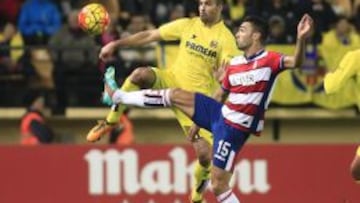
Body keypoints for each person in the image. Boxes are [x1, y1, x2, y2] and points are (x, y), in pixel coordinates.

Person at [102, 14, 313, 203]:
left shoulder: (270, 60)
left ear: (256, 36)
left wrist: (301, 39)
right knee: (175, 95)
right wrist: (198, 121)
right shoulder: (235, 63)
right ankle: (120, 96)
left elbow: (296, 61)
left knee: (219, 186)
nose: (237, 34)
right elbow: (220, 95)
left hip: (233, 129)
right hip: (219, 113)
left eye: (242, 30)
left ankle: (200, 190)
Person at [87, 0, 240, 202]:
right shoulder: (188, 25)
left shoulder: (226, 39)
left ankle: (196, 194)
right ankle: (111, 121)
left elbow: (227, 82)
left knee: (205, 156)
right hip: (171, 81)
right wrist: (116, 44)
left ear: (220, 6)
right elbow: (150, 35)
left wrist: (223, 79)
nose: (202, 7)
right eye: (201, 3)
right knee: (140, 74)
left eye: (208, 3)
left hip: (195, 102)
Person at [322, 49, 360, 183]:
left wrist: (328, 75)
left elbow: (331, 87)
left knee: (356, 171)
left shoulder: (355, 57)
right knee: (356, 171)